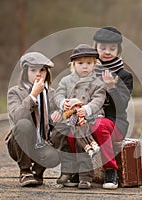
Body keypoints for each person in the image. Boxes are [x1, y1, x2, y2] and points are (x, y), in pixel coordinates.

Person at [67, 27, 134, 189]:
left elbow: (122, 105)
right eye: (102, 48)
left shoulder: (124, 75)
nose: (107, 52)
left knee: (99, 125)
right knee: (70, 131)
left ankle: (111, 170)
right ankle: (79, 171)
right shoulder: (87, 71)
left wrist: (111, 88)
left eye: (112, 48)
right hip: (88, 118)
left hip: (114, 123)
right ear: (95, 48)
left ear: (119, 50)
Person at [5, 52, 62, 187]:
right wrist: (33, 95)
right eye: (33, 70)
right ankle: (25, 172)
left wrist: (60, 114)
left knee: (57, 149)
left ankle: (37, 172)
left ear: (47, 72)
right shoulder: (15, 92)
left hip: (42, 143)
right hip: (19, 145)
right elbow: (17, 117)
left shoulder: (53, 94)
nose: (38, 74)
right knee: (24, 124)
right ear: (25, 72)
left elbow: (59, 119)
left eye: (42, 70)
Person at [54, 44, 106, 189]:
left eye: (89, 63)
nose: (85, 66)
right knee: (59, 135)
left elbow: (98, 100)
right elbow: (58, 94)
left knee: (80, 139)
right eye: (80, 63)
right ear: (73, 65)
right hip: (70, 117)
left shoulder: (97, 83)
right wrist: (63, 102)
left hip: (89, 117)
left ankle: (85, 176)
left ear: (95, 65)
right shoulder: (66, 81)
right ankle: (67, 171)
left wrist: (87, 108)